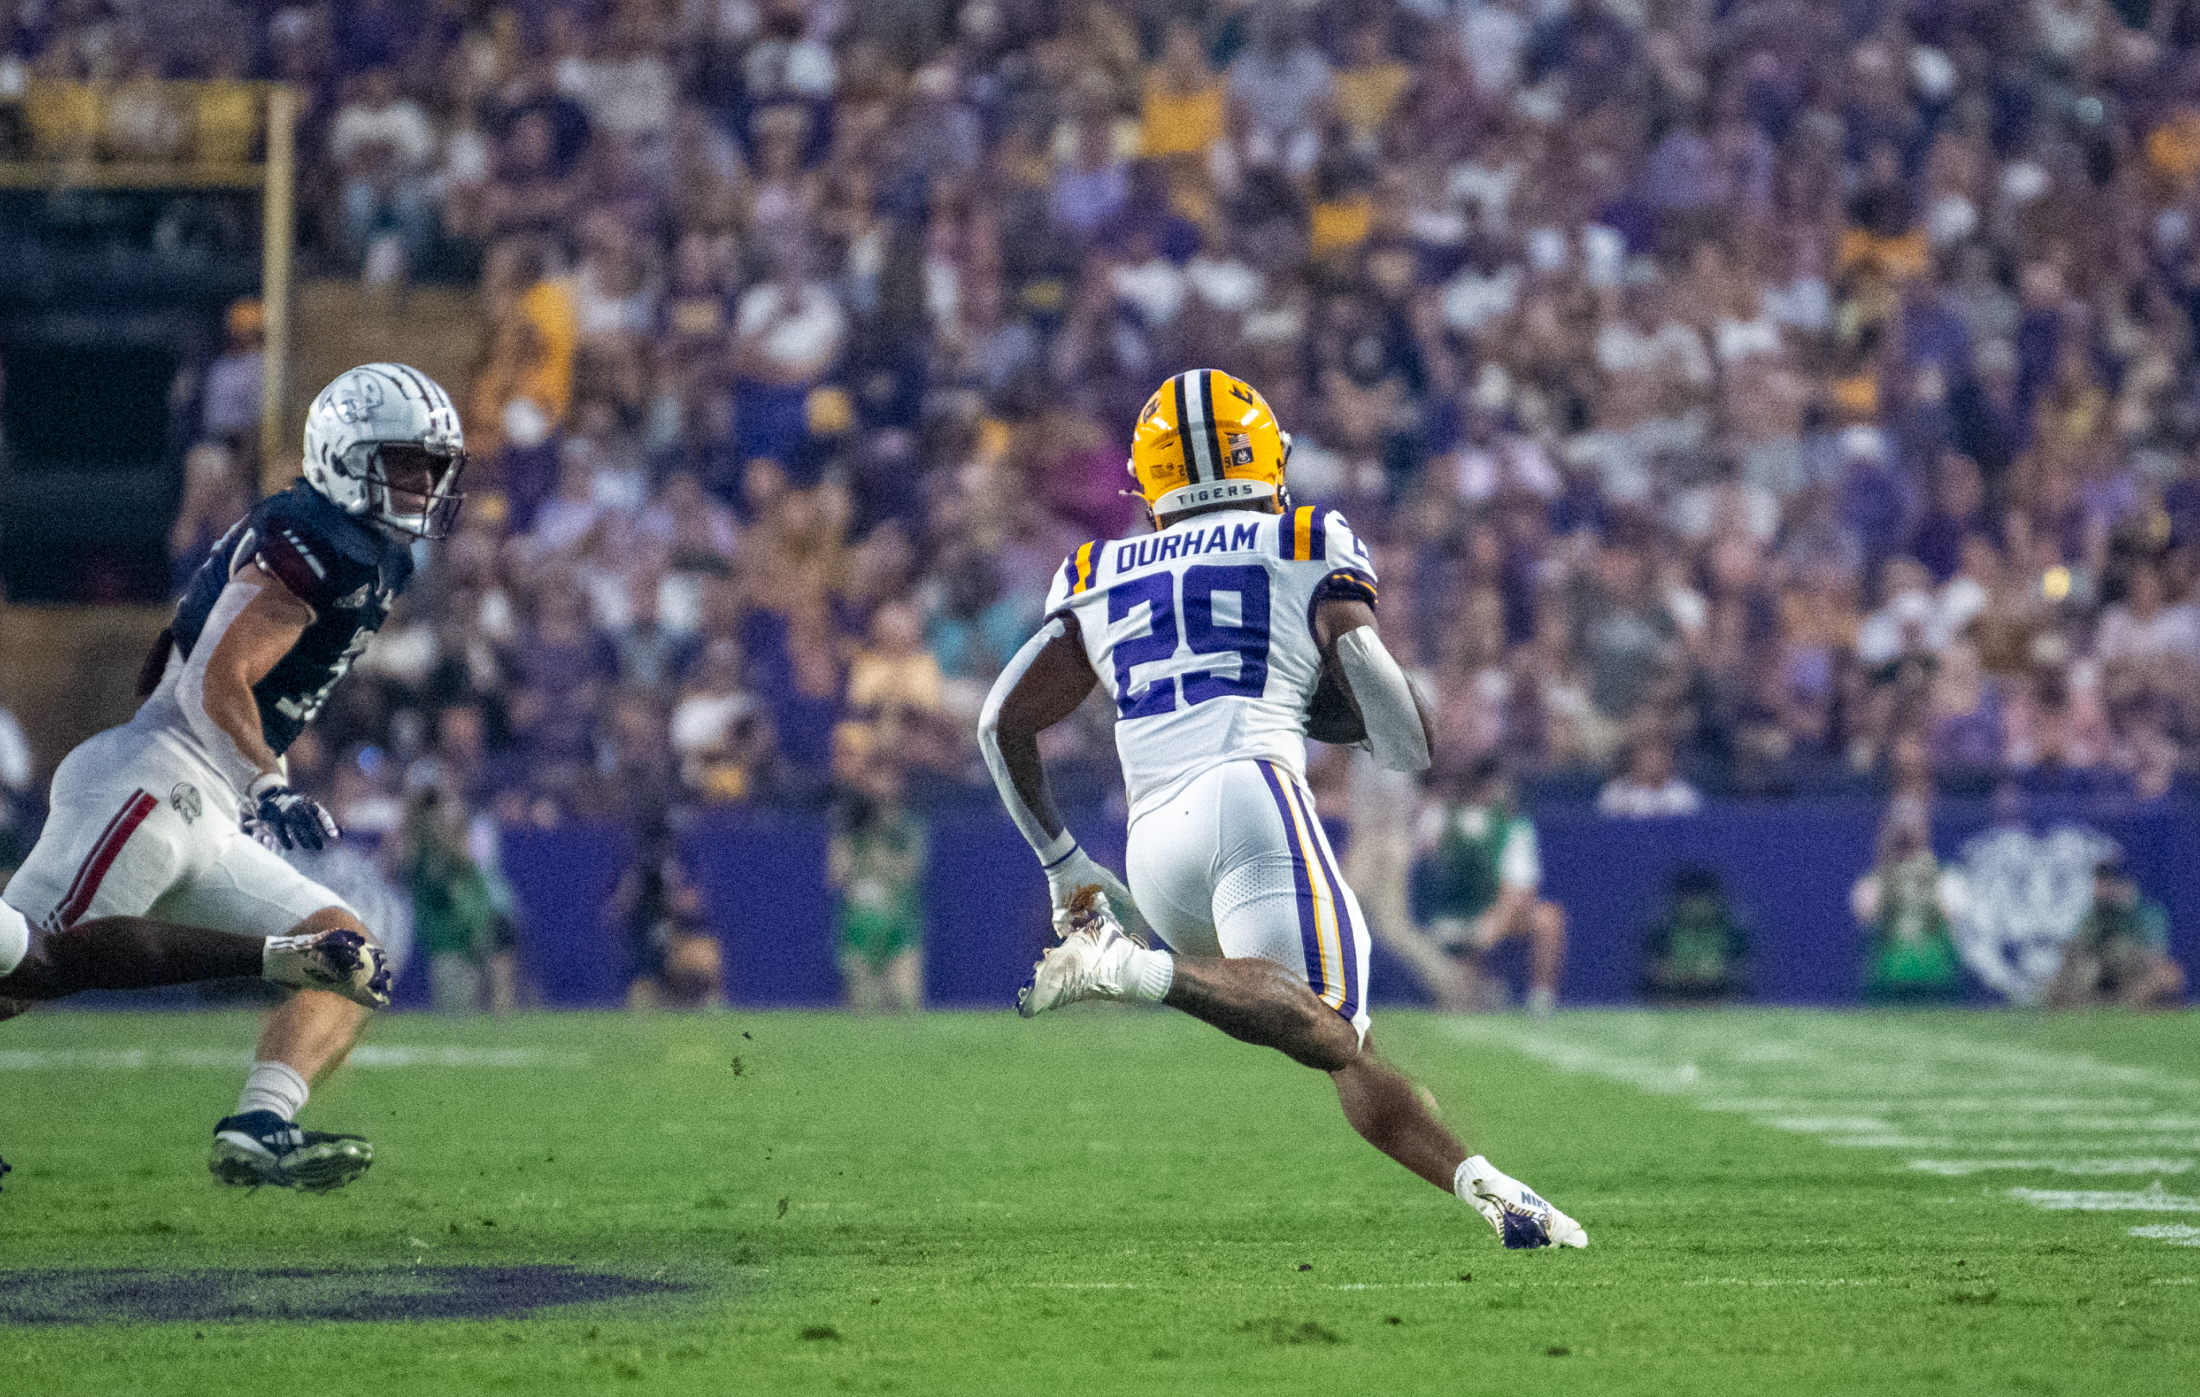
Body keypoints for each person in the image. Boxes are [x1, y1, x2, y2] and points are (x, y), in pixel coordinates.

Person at [980, 370, 1585, 1251]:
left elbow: (1002, 721)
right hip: (1249, 797)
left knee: (1337, 1040)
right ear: (1263, 457)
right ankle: (1126, 967)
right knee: (1328, 1020)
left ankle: (1492, 1194)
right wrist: (1374, 711)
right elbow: (1402, 731)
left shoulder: (1095, 568)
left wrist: (1065, 864)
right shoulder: (1306, 534)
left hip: (1154, 843)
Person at [2, 364, 467, 1191]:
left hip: (200, 801)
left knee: (346, 953)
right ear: (345, 456)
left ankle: (261, 1124)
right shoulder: (328, 541)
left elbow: (168, 653)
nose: (423, 485)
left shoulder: (344, 543)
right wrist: (267, 782)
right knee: (30, 964)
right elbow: (215, 676)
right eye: (404, 464)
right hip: (156, 782)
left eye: (431, 468)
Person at [1414, 754, 1568, 1015]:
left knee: (1549, 917)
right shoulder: (1440, 817)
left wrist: (1490, 927)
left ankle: (1540, 1002)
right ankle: (1470, 990)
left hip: (1495, 915)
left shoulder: (1515, 827)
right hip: (1447, 914)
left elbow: (1518, 890)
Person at [2048, 858, 2185, 1011]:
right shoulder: (2093, 915)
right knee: (2063, 982)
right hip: (2098, 975)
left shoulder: (2148, 913)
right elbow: (2079, 950)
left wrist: (2124, 946)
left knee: (2169, 976)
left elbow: (2155, 956)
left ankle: (2130, 1010)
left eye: (2109, 881)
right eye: (2100, 881)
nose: (2103, 888)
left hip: (2134, 977)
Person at [1850, 824, 1963, 1004]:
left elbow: (1953, 918)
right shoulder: (1877, 879)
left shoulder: (1943, 876)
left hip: (1931, 973)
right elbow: (1866, 914)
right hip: (1891, 973)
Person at [1639, 866, 1751, 1005]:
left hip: (1720, 1001)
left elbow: (1747, 971)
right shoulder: (1662, 929)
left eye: (1703, 898)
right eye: (1689, 898)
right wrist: (1674, 972)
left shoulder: (1731, 929)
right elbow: (1647, 970)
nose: (1696, 905)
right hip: (1672, 1001)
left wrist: (1718, 971)